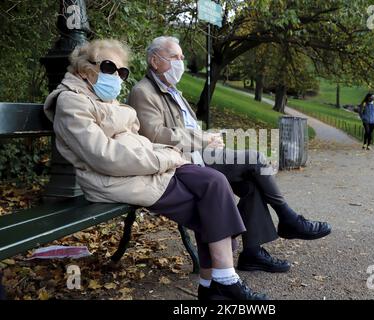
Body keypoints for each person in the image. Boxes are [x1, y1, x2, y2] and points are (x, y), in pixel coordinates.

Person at [43, 39, 267, 300]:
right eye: (108, 67)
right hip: (114, 179)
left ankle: (213, 285)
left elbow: (139, 143)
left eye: (121, 71)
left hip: (146, 168)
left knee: (214, 183)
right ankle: (221, 282)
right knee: (208, 203)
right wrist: (166, 159)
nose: (116, 76)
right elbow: (104, 157)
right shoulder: (71, 103)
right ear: (83, 69)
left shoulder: (106, 100)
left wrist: (165, 155)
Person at [127, 36, 332, 288]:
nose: (181, 62)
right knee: (256, 159)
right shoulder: (143, 92)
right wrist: (203, 139)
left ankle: (253, 253)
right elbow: (154, 134)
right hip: (184, 161)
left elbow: (185, 127)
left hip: (199, 152)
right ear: (154, 61)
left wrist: (209, 138)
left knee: (251, 181)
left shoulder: (172, 90)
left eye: (182, 57)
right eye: (175, 58)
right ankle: (288, 218)